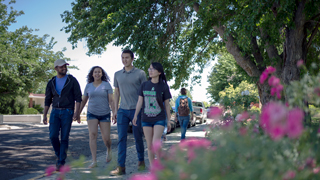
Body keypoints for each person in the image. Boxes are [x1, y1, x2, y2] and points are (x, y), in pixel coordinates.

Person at [110, 50, 147, 176]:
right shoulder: (117, 74)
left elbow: (145, 93)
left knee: (138, 137)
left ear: (132, 59)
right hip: (122, 111)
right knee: (121, 138)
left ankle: (141, 160)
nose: (124, 60)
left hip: (137, 110)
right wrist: (115, 110)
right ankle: (121, 167)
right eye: (122, 58)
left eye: (127, 58)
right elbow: (116, 93)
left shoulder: (140, 73)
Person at [43, 59, 82, 171]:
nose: (64, 68)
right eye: (61, 67)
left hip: (67, 112)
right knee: (53, 136)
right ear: (56, 68)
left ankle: (61, 162)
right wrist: (45, 115)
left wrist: (77, 112)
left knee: (64, 138)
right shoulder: (51, 82)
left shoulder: (72, 80)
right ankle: (60, 155)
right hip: (55, 112)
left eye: (65, 66)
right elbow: (47, 100)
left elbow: (78, 97)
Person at [133, 62, 172, 166]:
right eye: (149, 69)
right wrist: (135, 115)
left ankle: (159, 166)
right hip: (146, 119)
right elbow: (140, 101)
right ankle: (153, 169)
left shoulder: (164, 86)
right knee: (150, 145)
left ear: (159, 72)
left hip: (159, 118)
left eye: (152, 69)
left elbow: (167, 105)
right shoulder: (144, 85)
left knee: (156, 143)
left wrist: (169, 121)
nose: (149, 71)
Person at [79, 66, 115, 168]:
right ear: (92, 74)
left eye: (99, 72)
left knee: (106, 138)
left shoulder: (107, 85)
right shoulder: (88, 86)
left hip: (104, 114)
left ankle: (109, 150)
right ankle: (94, 161)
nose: (97, 74)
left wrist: (114, 113)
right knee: (93, 135)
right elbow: (84, 101)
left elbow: (111, 101)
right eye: (95, 72)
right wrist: (77, 113)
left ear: (102, 74)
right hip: (92, 113)